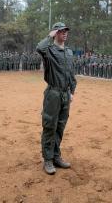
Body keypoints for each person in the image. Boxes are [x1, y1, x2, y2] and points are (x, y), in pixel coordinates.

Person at [36, 22, 77, 175]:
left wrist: (72, 91)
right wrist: (49, 36)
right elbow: (39, 48)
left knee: (60, 126)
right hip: (53, 93)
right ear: (55, 33)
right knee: (49, 126)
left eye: (66, 31)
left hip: (65, 94)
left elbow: (72, 74)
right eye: (61, 31)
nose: (65, 33)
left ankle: (56, 156)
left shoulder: (69, 52)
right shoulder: (49, 50)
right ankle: (47, 159)